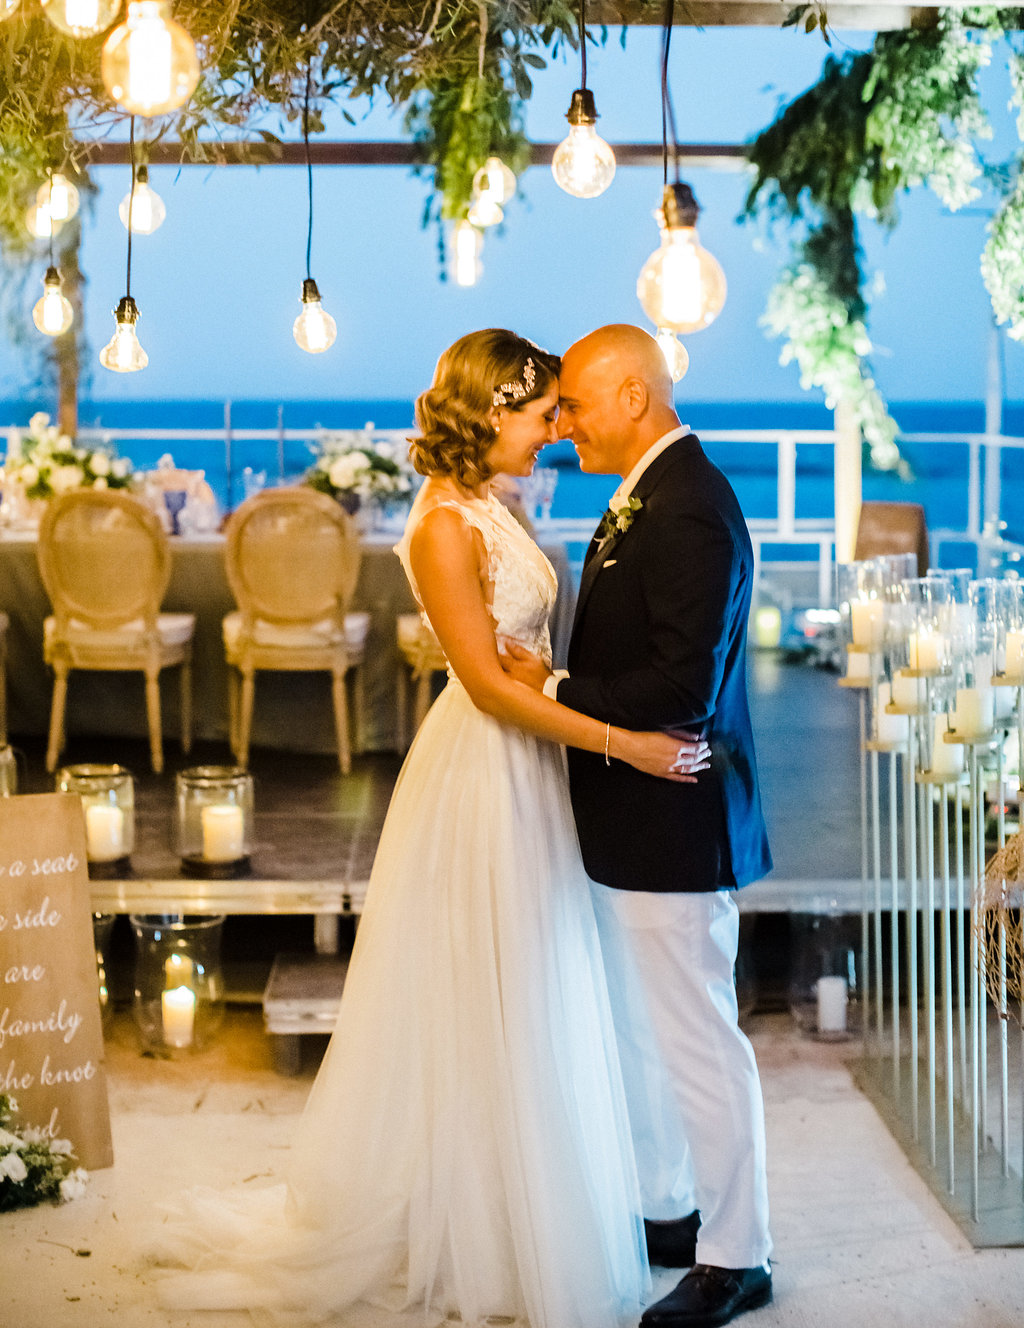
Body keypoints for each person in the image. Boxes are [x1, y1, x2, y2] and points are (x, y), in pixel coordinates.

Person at [153, 328, 708, 1328]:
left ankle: (539, 1201)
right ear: (491, 412)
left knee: (536, 986)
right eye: (543, 414)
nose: (556, 429)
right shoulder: (440, 528)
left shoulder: (492, 504)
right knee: (492, 988)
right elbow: (491, 691)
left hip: (541, 765)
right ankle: (491, 1233)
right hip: (489, 771)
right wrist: (624, 742)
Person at [503, 324, 773, 1328]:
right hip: (632, 816)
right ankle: (675, 1208)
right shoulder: (649, 498)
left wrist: (558, 684)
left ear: (630, 396)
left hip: (675, 817)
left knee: (698, 1040)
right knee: (648, 1034)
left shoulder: (688, 510)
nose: (563, 422)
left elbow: (681, 688)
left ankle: (738, 1253)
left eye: (573, 403)